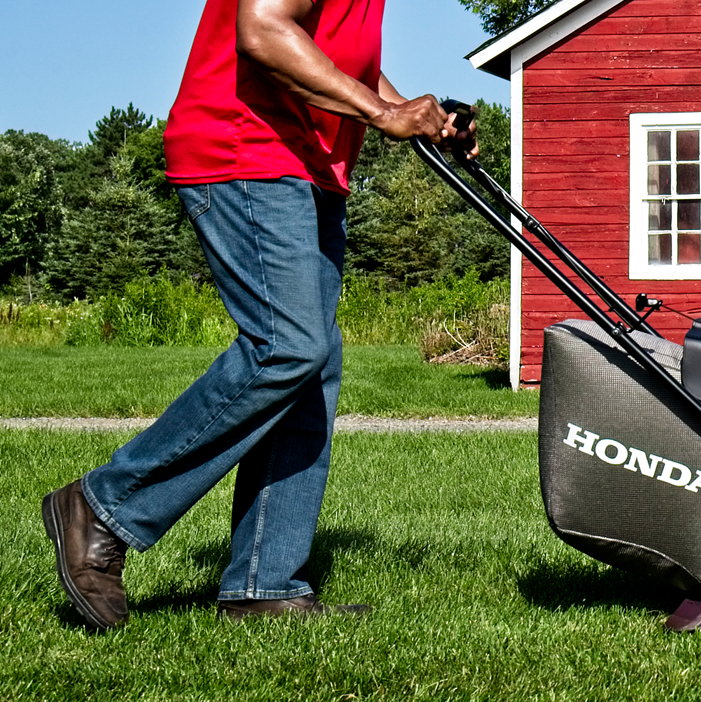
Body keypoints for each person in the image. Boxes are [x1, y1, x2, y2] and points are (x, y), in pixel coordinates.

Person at [41, 0, 476, 629]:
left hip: (313, 167)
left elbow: (332, 57)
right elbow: (264, 29)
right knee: (288, 346)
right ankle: (104, 505)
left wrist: (419, 117)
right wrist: (382, 113)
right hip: (244, 146)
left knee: (312, 367)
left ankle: (263, 583)